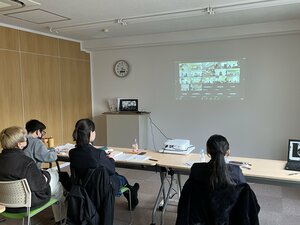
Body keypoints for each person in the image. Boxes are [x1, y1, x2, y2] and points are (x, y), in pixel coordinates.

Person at [175, 134, 260, 225]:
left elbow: (186, 202)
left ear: (208, 152)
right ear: (228, 152)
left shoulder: (196, 170)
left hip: (200, 220)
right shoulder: (236, 172)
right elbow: (250, 205)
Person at [69, 118, 139, 210]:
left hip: (81, 186)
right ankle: (132, 193)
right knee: (122, 179)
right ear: (90, 133)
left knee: (116, 176)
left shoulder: (72, 152)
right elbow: (111, 170)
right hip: (101, 189)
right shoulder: (98, 154)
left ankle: (132, 191)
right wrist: (111, 160)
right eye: (94, 131)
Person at [0, 126, 66, 224]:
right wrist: (46, 175)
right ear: (19, 144)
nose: (27, 139)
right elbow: (41, 186)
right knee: (57, 182)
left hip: (5, 206)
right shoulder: (26, 162)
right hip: (26, 205)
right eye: (25, 138)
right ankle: (61, 219)